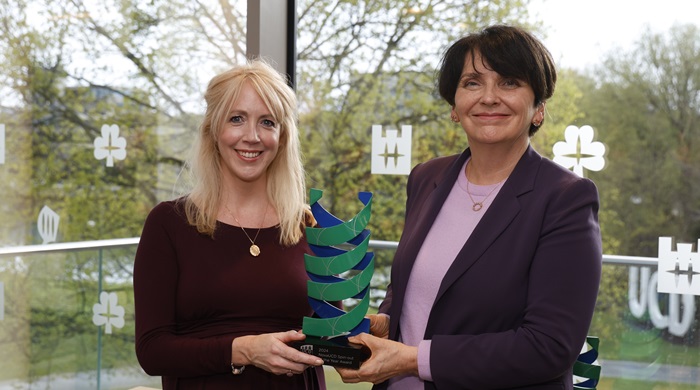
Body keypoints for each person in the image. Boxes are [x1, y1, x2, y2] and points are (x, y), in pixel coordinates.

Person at [336, 25, 602, 389]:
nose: (489, 97)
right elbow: (416, 282)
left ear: (539, 108)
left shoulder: (566, 198)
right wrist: (388, 319)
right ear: (454, 107)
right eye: (472, 83)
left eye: (509, 82)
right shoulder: (427, 177)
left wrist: (413, 358)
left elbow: (549, 346)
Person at [133, 59, 326, 389]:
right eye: (237, 119)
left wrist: (375, 328)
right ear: (212, 130)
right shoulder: (168, 224)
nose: (251, 136)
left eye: (267, 122)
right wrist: (243, 351)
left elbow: (330, 336)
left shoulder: (310, 225)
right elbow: (152, 352)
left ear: (282, 137)